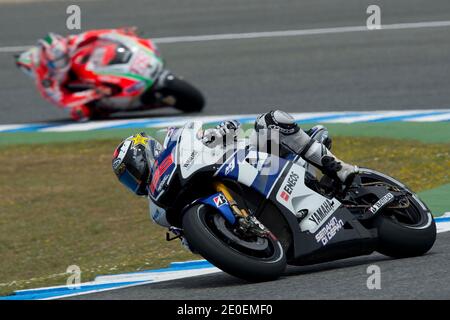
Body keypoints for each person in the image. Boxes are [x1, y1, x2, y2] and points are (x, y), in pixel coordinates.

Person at [112, 110, 358, 249]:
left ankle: (340, 170)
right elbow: (193, 245)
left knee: (271, 120)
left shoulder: (176, 144)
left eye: (134, 171)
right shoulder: (159, 207)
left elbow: (231, 131)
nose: (136, 180)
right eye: (129, 180)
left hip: (259, 159)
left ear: (146, 154)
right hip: (258, 207)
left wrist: (220, 132)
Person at [17, 28, 141, 121]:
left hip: (70, 64)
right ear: (47, 61)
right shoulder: (45, 78)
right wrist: (94, 93)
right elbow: (63, 100)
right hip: (61, 87)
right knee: (80, 113)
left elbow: (92, 35)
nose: (61, 64)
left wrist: (120, 31)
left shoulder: (68, 43)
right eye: (57, 62)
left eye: (62, 58)